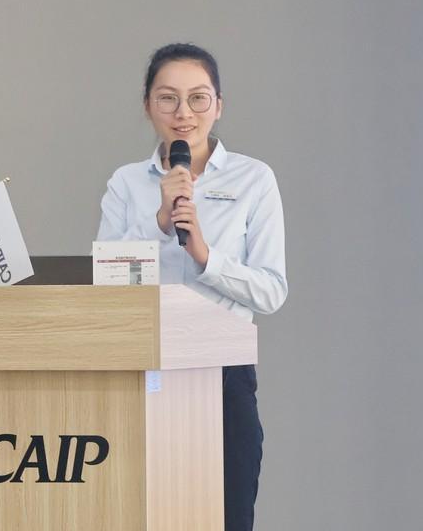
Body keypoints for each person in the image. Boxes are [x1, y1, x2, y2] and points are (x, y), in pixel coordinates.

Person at [96, 43, 288, 530]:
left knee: (227, 517)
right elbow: (107, 287)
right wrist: (158, 224)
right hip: (145, 371)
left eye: (198, 98)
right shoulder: (126, 183)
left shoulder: (254, 179)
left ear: (218, 105)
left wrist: (206, 257)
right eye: (168, 98)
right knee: (144, 516)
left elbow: (270, 291)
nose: (184, 113)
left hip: (223, 374)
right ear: (148, 106)